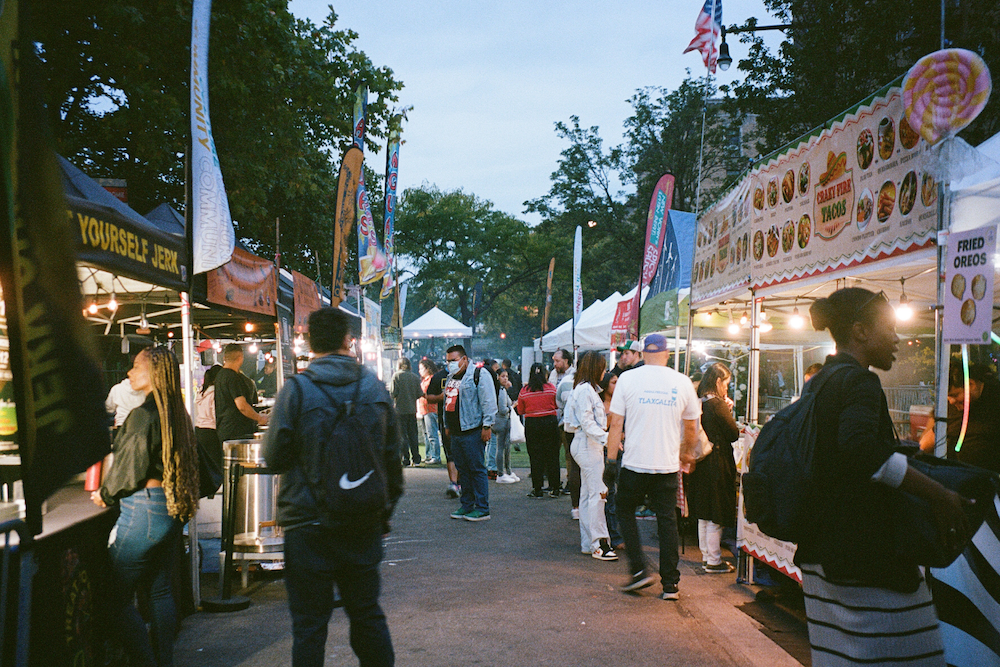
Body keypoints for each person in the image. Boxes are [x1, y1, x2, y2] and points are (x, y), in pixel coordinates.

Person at [796, 288, 971, 665]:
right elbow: (860, 451)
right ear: (860, 331)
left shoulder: (821, 379)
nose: (896, 339)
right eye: (889, 329)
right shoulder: (860, 381)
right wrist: (939, 495)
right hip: (862, 554)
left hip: (823, 548)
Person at [263, 306, 403, 667]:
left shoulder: (295, 391)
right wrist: (382, 512)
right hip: (362, 522)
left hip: (307, 525)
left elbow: (274, 457)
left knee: (309, 626)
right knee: (367, 615)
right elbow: (393, 461)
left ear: (309, 343)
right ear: (348, 340)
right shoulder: (374, 388)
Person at [92, 347, 200, 667]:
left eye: (135, 367)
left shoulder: (143, 415)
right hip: (169, 509)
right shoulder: (176, 412)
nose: (128, 373)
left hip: (144, 511)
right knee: (160, 592)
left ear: (152, 372)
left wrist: (105, 494)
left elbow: (129, 468)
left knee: (111, 599)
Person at [605, 334, 700, 600]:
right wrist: (686, 455)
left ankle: (638, 570)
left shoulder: (628, 379)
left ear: (643, 353)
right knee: (667, 521)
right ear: (668, 354)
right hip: (667, 465)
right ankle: (670, 585)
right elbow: (692, 426)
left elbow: (616, 424)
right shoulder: (681, 382)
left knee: (624, 510)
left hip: (635, 462)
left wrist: (611, 462)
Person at [685, 362, 740, 574]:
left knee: (704, 512)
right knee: (716, 511)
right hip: (717, 461)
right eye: (726, 384)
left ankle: (707, 556)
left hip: (702, 461)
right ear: (718, 382)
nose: (727, 389)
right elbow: (733, 433)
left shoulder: (699, 401)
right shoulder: (717, 404)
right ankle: (714, 560)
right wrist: (728, 410)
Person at [565, 351, 617, 561]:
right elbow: (587, 423)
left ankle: (589, 542)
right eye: (602, 368)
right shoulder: (586, 390)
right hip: (588, 445)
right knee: (597, 494)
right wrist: (607, 439)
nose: (604, 372)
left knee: (589, 496)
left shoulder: (582, 389)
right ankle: (599, 544)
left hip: (585, 444)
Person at [443, 345, 497, 521]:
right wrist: (447, 425)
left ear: (464, 359)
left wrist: (487, 426)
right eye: (448, 360)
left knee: (476, 469)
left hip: (472, 430)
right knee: (463, 470)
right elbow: (448, 403)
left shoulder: (479, 375)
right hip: (456, 431)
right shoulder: (451, 377)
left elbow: (488, 401)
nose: (450, 364)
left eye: (453, 360)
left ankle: (482, 508)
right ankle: (466, 505)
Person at [517, 363, 561, 498]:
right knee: (552, 455)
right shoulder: (551, 388)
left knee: (535, 456)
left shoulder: (525, 390)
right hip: (550, 423)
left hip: (532, 424)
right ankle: (555, 487)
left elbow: (520, 410)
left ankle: (537, 489)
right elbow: (556, 405)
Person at [214, 343, 268, 444]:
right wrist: (259, 418)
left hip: (224, 429)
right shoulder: (233, 377)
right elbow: (241, 405)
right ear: (240, 358)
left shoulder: (220, 375)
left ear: (225, 357)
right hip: (236, 431)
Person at [425, 360, 461, 498]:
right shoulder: (439, 377)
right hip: (446, 420)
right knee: (450, 452)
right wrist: (441, 397)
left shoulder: (467, 376)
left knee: (463, 453)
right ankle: (454, 483)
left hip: (466, 421)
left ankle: (461, 482)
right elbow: (428, 397)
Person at [550, 349, 580, 512]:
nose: (555, 364)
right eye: (554, 361)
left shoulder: (573, 377)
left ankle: (571, 482)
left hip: (567, 422)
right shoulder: (554, 375)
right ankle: (556, 482)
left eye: (558, 361)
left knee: (570, 455)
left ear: (567, 361)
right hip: (557, 419)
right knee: (555, 453)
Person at [599, 371, 624, 552]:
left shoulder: (622, 403)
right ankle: (612, 536)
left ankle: (615, 533)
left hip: (622, 450)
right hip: (604, 450)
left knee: (618, 492)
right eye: (614, 382)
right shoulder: (600, 404)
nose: (617, 386)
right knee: (609, 493)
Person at [194, 364, 224, 497]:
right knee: (215, 465)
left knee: (205, 465)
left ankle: (207, 494)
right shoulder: (215, 394)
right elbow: (215, 413)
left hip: (199, 430)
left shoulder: (201, 392)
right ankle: (213, 493)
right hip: (211, 431)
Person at [389, 357, 423, 466]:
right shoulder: (415, 377)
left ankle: (406, 459)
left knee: (402, 436)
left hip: (400, 410)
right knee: (413, 435)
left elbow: (393, 393)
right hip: (412, 410)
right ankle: (416, 458)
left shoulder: (396, 376)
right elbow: (419, 394)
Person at [494, 369, 518, 483]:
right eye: (503, 376)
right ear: (498, 377)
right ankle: (501, 473)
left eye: (506, 376)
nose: (505, 378)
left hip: (500, 421)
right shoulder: (501, 391)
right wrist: (512, 407)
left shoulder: (501, 390)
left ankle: (507, 471)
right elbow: (503, 409)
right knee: (502, 447)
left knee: (504, 447)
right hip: (501, 421)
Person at [417, 359, 442, 465]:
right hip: (424, 409)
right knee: (426, 434)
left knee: (432, 434)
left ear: (428, 368)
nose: (420, 371)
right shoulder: (424, 380)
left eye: (422, 368)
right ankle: (429, 455)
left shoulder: (432, 379)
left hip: (430, 409)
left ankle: (435, 456)